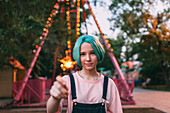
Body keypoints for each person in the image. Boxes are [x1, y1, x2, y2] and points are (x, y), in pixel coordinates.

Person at [47, 35, 123, 113]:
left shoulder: (109, 84)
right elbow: (51, 111)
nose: (88, 59)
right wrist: (55, 98)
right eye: (82, 54)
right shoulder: (68, 81)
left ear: (98, 54)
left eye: (92, 53)